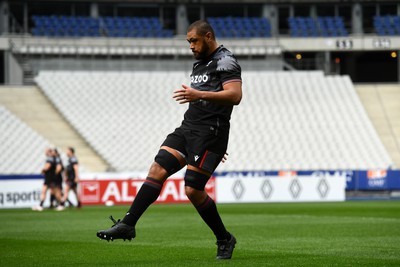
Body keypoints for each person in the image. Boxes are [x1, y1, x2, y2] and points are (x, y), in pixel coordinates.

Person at [97, 20, 242, 260]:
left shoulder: (226, 60)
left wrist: (200, 99)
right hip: (188, 128)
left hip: (209, 133)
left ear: (208, 36)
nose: (191, 46)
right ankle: (128, 224)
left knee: (192, 191)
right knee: (157, 169)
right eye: (188, 42)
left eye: (194, 41)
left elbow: (235, 96)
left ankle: (224, 238)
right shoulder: (200, 64)